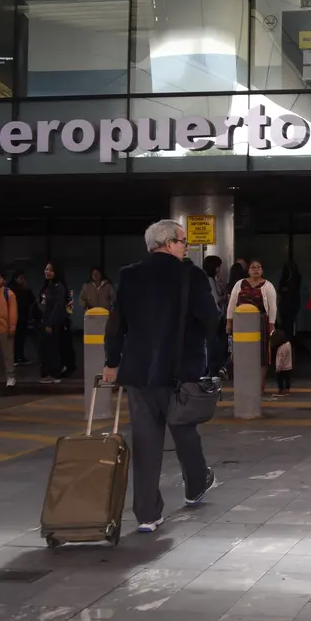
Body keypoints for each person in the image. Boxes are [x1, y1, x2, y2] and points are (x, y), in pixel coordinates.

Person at [103, 219, 218, 534]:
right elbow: (210, 319)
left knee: (145, 442)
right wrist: (213, 360)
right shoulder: (191, 276)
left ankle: (146, 515)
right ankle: (195, 485)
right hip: (180, 373)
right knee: (184, 433)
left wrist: (112, 361)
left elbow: (116, 325)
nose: (185, 247)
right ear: (168, 243)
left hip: (139, 373)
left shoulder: (129, 275)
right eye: (183, 241)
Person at [227, 260, 277, 393]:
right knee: (242, 354)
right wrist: (229, 321)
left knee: (262, 354)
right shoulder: (240, 284)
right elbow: (232, 303)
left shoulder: (267, 285)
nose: (256, 269)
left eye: (258, 267)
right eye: (253, 267)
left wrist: (271, 324)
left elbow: (272, 307)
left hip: (261, 323)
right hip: (241, 323)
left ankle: (259, 384)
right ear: (248, 270)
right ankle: (245, 383)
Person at [38, 262, 70, 384]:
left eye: (50, 270)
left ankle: (54, 374)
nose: (47, 272)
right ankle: (48, 373)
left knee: (53, 349)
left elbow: (58, 307)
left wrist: (50, 323)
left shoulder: (59, 286)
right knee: (45, 348)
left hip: (54, 323)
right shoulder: (47, 286)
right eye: (46, 269)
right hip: (45, 321)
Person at [202, 256, 228, 376]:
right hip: (215, 317)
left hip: (217, 317)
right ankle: (213, 370)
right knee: (214, 345)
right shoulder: (210, 280)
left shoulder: (213, 280)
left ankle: (215, 369)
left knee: (216, 344)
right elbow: (216, 299)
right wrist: (225, 297)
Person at [11, 271, 37, 365]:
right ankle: (16, 357)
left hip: (23, 317)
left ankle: (20, 357)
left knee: (21, 338)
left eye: (23, 278)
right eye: (20, 278)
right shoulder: (11, 290)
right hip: (15, 318)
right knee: (16, 339)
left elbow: (33, 302)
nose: (22, 280)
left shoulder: (26, 290)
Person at [271, 328, 293, 398]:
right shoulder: (288, 344)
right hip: (289, 366)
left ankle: (281, 390)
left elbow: (281, 359)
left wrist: (278, 368)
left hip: (282, 368)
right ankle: (287, 389)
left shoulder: (282, 348)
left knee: (280, 379)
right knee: (287, 379)